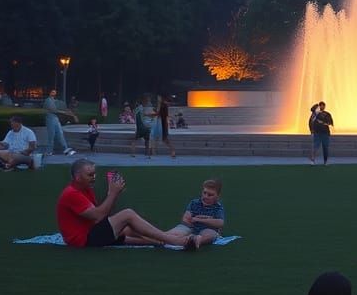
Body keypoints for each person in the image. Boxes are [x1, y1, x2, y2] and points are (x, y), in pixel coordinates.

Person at [55, 159, 190, 248]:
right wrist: (112, 193)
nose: (94, 178)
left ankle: (164, 239)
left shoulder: (85, 190)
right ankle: (171, 239)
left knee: (129, 230)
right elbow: (98, 216)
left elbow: (101, 215)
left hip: (90, 232)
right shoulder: (71, 194)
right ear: (78, 177)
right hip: (82, 241)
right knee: (128, 215)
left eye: (94, 174)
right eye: (90, 175)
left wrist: (112, 193)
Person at [168, 178, 225, 251]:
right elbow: (185, 218)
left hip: (208, 229)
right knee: (178, 231)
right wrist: (188, 221)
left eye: (210, 195)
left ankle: (195, 241)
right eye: (204, 193)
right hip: (191, 227)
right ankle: (159, 237)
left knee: (210, 234)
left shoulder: (218, 207)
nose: (206, 196)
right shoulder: (194, 203)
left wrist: (199, 219)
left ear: (217, 196)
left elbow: (220, 223)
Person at [43, 88, 76, 157]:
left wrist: (67, 111)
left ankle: (66, 150)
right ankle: (49, 151)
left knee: (60, 134)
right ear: (49, 93)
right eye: (52, 92)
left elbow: (60, 107)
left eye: (55, 92)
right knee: (51, 135)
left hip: (55, 119)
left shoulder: (55, 101)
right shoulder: (48, 100)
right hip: (50, 118)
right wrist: (65, 112)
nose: (54, 93)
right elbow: (54, 110)